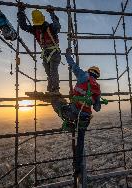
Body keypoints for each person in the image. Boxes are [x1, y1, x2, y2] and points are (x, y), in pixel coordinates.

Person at [51, 48, 107, 179]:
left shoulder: (82, 75)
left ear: (89, 72)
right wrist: (95, 101)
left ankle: (70, 124)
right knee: (80, 141)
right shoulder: (97, 88)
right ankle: (77, 167)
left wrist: (67, 54)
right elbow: (97, 108)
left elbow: (72, 64)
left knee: (58, 105)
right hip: (85, 117)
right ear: (97, 76)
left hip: (73, 112)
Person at [17, 4, 61, 92]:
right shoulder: (35, 29)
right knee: (49, 73)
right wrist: (21, 12)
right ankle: (51, 89)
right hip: (46, 53)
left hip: (54, 53)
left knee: (53, 71)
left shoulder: (50, 27)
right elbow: (23, 26)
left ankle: (55, 89)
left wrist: (52, 13)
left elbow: (57, 26)